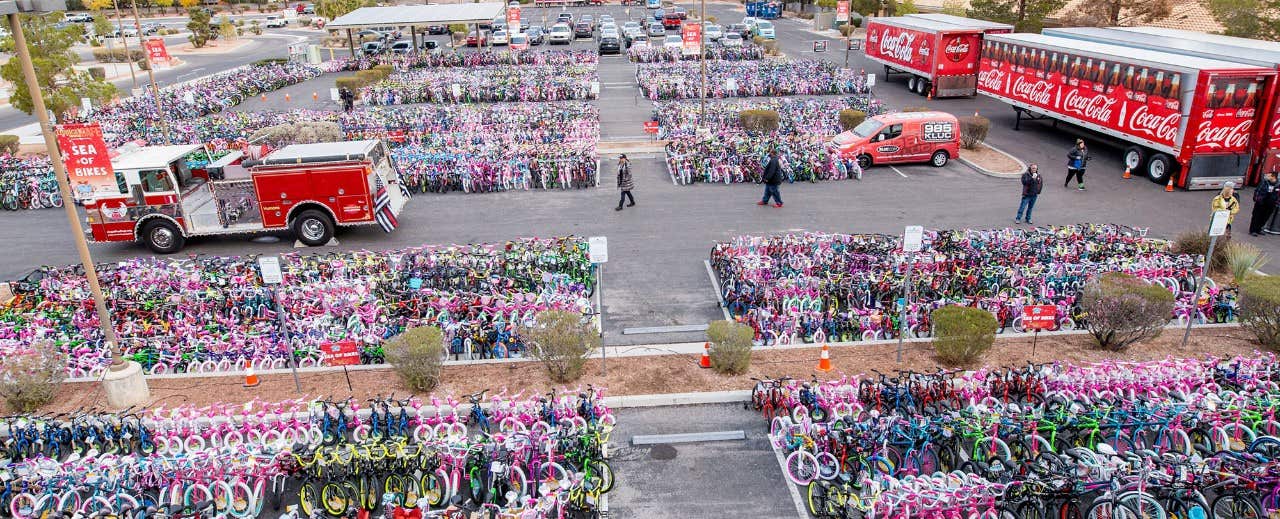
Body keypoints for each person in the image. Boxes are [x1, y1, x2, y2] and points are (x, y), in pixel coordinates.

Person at [1251, 172, 1279, 236]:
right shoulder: (1264, 182)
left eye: (1268, 176)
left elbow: (1278, 195)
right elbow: (1257, 190)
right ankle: (1253, 230)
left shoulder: (1278, 184)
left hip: (1271, 204)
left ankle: (1259, 229)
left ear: (1273, 177)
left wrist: (1276, 202)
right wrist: (1256, 199)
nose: (1266, 176)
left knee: (1265, 217)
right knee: (1256, 216)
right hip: (1261, 202)